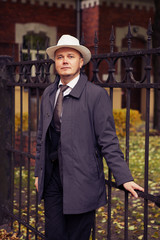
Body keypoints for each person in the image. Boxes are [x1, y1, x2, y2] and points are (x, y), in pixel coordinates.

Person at [34, 34, 144, 240]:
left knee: (78, 235)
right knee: (53, 234)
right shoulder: (49, 93)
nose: (64, 61)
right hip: (52, 179)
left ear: (80, 62)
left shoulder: (95, 95)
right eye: (60, 57)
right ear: (55, 62)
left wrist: (124, 177)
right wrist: (38, 173)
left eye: (70, 56)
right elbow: (42, 136)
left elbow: (108, 141)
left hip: (81, 180)